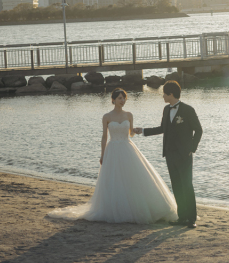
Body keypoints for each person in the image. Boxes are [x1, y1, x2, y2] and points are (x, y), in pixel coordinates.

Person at [48, 89, 178, 224]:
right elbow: (104, 137)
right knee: (114, 179)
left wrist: (136, 131)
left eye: (124, 98)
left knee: (132, 178)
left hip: (127, 148)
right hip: (113, 149)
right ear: (113, 100)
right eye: (120, 98)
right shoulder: (107, 117)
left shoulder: (129, 115)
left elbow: (130, 133)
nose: (122, 101)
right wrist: (102, 154)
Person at [134, 81, 202, 228]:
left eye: (164, 93)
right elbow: (162, 128)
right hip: (169, 154)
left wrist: (192, 148)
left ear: (171, 94)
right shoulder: (166, 109)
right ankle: (181, 217)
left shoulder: (188, 110)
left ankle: (191, 219)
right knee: (176, 185)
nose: (163, 96)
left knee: (187, 185)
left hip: (185, 154)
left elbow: (199, 130)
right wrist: (143, 131)